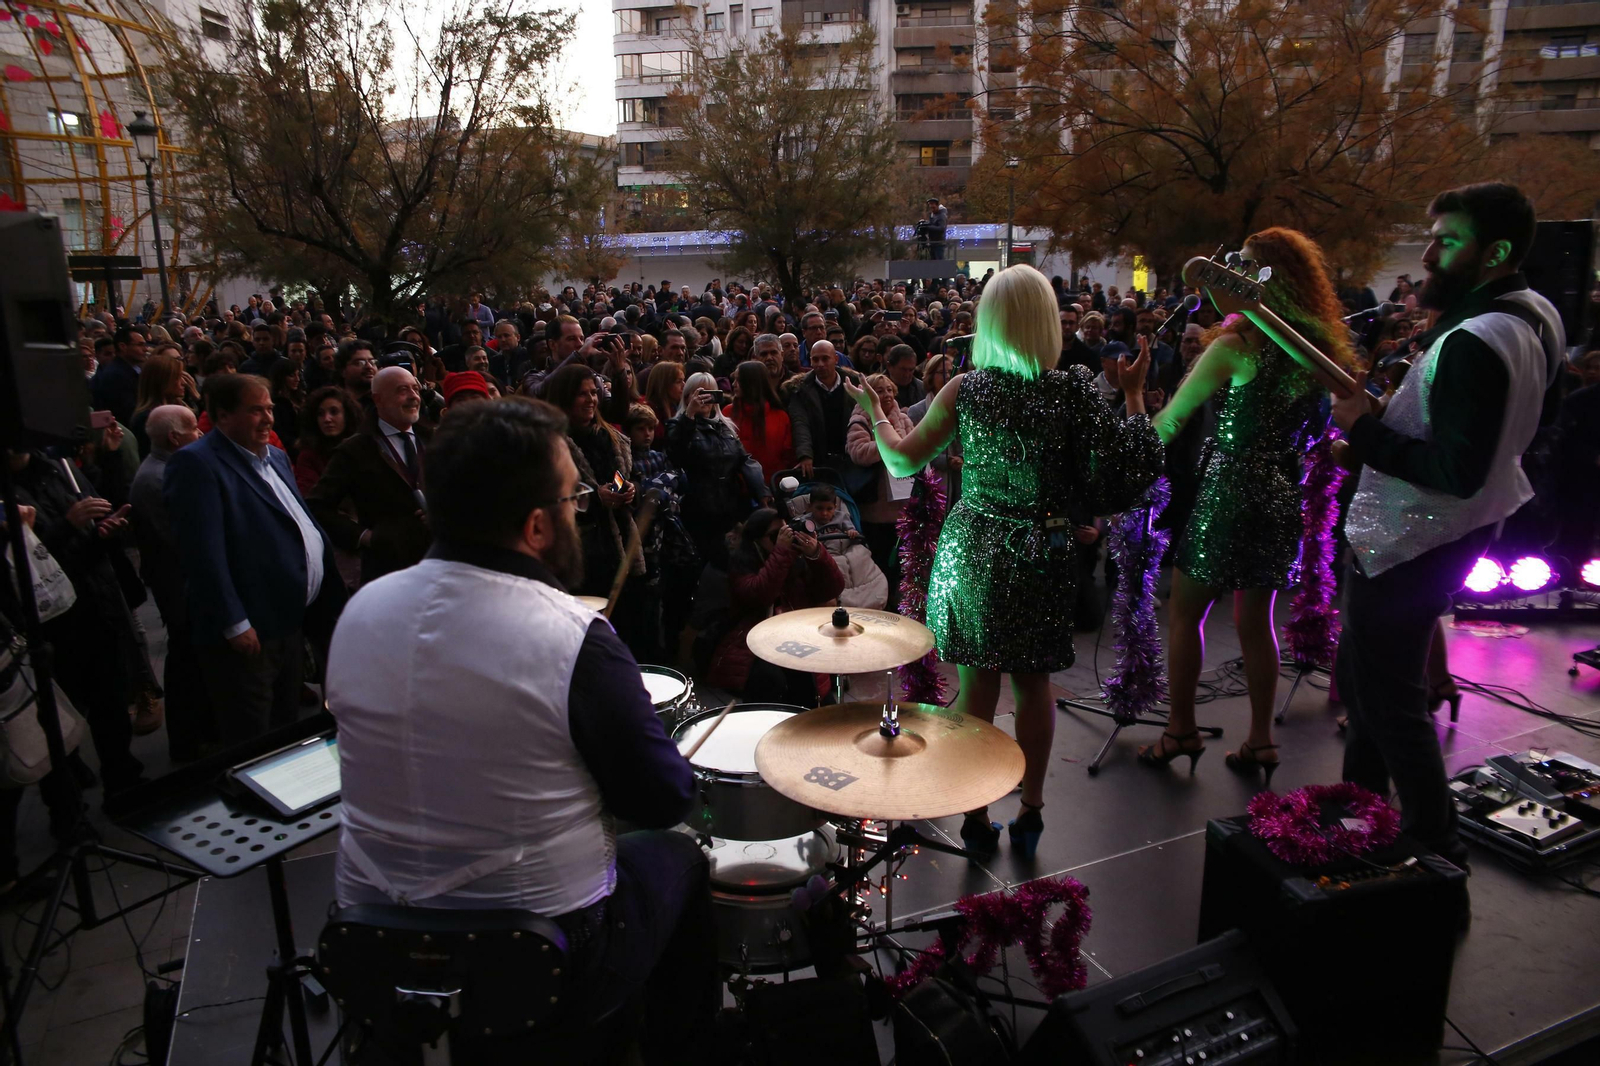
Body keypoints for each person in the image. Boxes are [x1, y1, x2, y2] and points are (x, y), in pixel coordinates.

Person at [327, 398, 714, 1061]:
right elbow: (661, 799)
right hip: (541, 948)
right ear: (538, 526)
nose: (579, 511)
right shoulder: (571, 636)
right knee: (679, 857)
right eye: (574, 499)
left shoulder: (361, 610)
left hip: (372, 935)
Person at [843, 264, 1159, 856]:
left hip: (975, 551)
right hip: (1039, 551)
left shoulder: (966, 389)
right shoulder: (1071, 391)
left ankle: (976, 808)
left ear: (988, 320)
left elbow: (904, 463)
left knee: (977, 687)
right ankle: (1032, 809)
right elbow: (1130, 469)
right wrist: (1136, 395)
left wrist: (876, 410)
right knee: (1034, 684)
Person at [1337, 183, 1562, 874]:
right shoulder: (1535, 314)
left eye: (1448, 241)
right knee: (1366, 679)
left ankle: (1436, 843)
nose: (1429, 255)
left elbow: (1457, 468)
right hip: (1454, 531)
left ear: (1495, 252)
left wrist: (1365, 434)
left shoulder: (1476, 338)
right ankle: (1359, 810)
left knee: (1389, 696)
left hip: (1416, 537)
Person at [1151, 228, 1358, 783]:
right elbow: (1330, 430)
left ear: (1265, 279)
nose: (1228, 274)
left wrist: (1123, 443)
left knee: (1185, 613)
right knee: (1256, 620)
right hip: (1281, 493)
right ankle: (1261, 740)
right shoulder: (1315, 354)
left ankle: (1180, 729)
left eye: (1241, 265)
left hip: (1230, 493)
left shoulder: (1235, 346)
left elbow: (1171, 421)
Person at [164, 374, 345, 746]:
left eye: (270, 409)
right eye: (255, 410)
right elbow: (202, 554)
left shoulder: (276, 456)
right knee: (252, 737)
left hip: (290, 620)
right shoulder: (196, 465)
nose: (268, 419)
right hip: (248, 632)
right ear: (223, 415)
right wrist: (234, 623)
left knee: (287, 726)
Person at [129, 405, 216, 761]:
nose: (200, 434)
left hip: (180, 586)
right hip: (178, 589)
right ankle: (187, 742)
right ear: (174, 437)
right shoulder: (157, 478)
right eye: (194, 428)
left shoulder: (162, 470)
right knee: (186, 664)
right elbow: (178, 539)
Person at [307, 366, 432, 585]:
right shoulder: (356, 449)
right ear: (378, 399)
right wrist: (365, 537)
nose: (413, 396)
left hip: (436, 562)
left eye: (415, 389)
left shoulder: (436, 438)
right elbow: (318, 507)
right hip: (387, 572)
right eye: (402, 390)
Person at [705, 509, 845, 705]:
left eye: (786, 532)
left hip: (799, 639)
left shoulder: (797, 560)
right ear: (755, 540)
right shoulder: (742, 564)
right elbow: (759, 595)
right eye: (775, 536)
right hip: (753, 644)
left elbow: (833, 588)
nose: (785, 539)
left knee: (818, 697)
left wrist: (817, 555)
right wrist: (782, 552)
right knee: (772, 683)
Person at [846, 373, 915, 611]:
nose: (885, 395)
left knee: (904, 567)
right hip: (875, 508)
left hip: (903, 506)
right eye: (879, 390)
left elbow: (914, 449)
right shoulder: (860, 421)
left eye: (888, 390)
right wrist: (890, 445)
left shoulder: (904, 418)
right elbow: (858, 452)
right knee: (880, 563)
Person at [724, 360, 793, 484]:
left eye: (739, 380)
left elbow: (787, 456)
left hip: (771, 486)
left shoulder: (780, 417)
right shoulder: (728, 413)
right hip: (734, 488)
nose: (734, 384)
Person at [293, 386, 362, 495]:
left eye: (334, 412)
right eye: (320, 414)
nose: (327, 419)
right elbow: (309, 496)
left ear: (347, 415)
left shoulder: (363, 448)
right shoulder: (309, 455)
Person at [91, 325, 148, 425]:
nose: (145, 349)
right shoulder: (115, 375)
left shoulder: (133, 368)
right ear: (123, 346)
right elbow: (128, 413)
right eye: (140, 345)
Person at [921, 197, 949, 261]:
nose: (931, 207)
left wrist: (928, 227)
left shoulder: (941, 216)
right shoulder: (932, 215)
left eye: (933, 205)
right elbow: (932, 224)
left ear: (937, 205)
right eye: (930, 206)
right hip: (932, 243)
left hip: (939, 243)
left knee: (939, 261)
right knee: (933, 261)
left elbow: (941, 228)